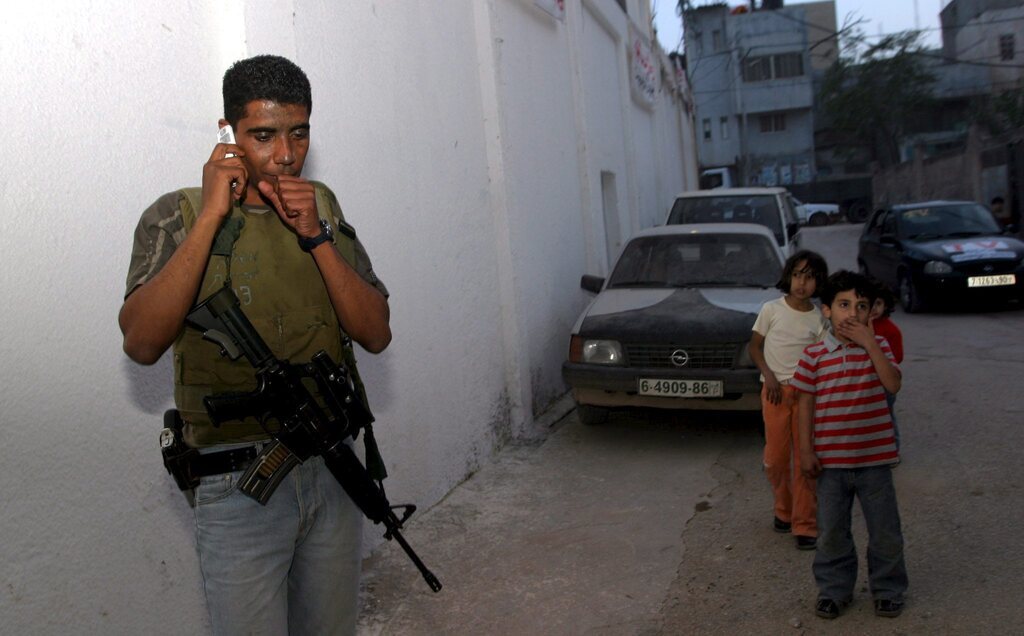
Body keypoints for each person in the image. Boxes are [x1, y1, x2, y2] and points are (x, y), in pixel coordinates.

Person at [119, 55, 391, 635]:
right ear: (229, 134)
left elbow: (374, 332)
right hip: (238, 484)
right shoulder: (176, 216)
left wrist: (316, 237)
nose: (286, 155)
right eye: (263, 136)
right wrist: (213, 217)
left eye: (299, 133)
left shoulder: (323, 206)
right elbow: (142, 342)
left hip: (331, 465)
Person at [791, 271, 907, 621]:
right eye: (843, 305)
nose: (852, 314)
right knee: (831, 534)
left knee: (885, 533)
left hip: (874, 461)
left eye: (861, 306)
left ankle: (887, 590)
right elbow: (804, 404)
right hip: (831, 464)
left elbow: (893, 385)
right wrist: (806, 451)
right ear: (826, 310)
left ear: (872, 312)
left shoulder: (880, 348)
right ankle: (834, 590)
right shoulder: (814, 355)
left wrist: (871, 343)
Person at [748, 250, 829, 550]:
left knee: (806, 459)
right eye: (797, 275)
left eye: (810, 278)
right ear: (788, 277)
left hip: (806, 397)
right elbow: (755, 346)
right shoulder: (771, 309)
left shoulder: (819, 318)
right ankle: (783, 510)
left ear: (818, 283)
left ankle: (805, 524)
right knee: (776, 460)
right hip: (775, 393)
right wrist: (768, 375)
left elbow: (823, 358)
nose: (802, 283)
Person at [870, 281, 903, 451]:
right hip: (866, 381)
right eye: (871, 303)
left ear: (886, 305)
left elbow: (898, 357)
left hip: (885, 383)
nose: (874, 308)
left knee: (887, 415)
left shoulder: (890, 330)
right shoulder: (860, 327)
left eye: (879, 303)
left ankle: (893, 448)